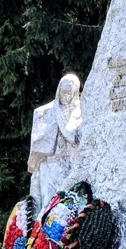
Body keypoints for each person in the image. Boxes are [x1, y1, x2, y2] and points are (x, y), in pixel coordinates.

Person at [28, 73, 82, 208]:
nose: (67, 96)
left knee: (69, 206)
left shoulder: (81, 114)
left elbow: (77, 141)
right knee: (48, 203)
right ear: (59, 90)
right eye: (64, 92)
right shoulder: (43, 112)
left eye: (70, 92)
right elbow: (37, 143)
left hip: (71, 165)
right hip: (50, 164)